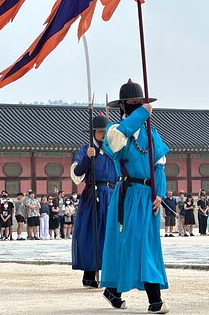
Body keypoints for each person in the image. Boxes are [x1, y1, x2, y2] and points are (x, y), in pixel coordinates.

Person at [101, 79, 170, 314]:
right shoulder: (114, 131)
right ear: (123, 107)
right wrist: (140, 115)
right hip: (128, 195)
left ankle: (120, 291)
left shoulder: (152, 134)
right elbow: (116, 143)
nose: (138, 106)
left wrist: (159, 193)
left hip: (148, 196)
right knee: (129, 243)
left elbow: (160, 166)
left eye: (140, 102)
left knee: (146, 244)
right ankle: (148, 297)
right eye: (133, 103)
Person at [70, 114, 118, 287]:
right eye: (100, 132)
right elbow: (77, 174)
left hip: (112, 195)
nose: (103, 135)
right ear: (94, 132)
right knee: (91, 235)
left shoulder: (114, 150)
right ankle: (89, 273)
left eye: (106, 132)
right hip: (93, 195)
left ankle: (109, 273)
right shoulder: (87, 149)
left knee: (110, 235)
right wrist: (88, 158)